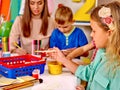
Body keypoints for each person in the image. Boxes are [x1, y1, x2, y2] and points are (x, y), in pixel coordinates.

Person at [50, 1, 120, 90]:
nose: (91, 35)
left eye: (94, 31)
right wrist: (63, 59)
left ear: (109, 33)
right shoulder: (101, 52)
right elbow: (89, 74)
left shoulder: (117, 70)